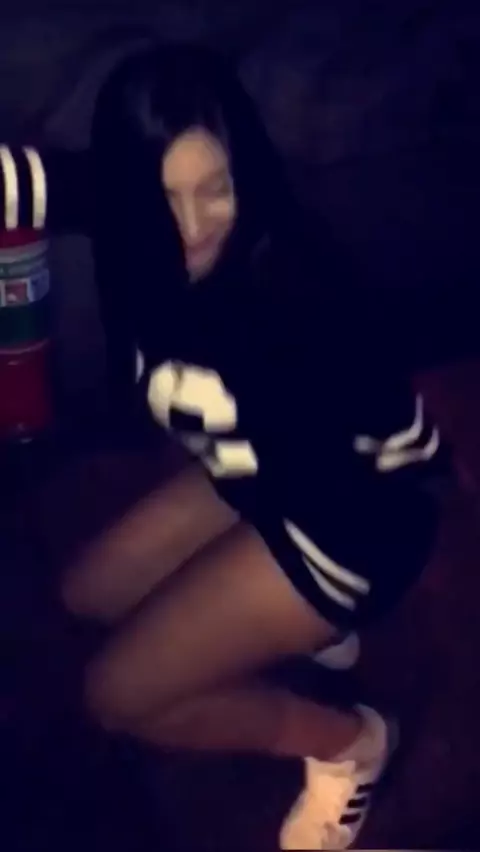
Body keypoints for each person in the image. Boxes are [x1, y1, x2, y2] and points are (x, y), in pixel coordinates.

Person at [0, 45, 442, 849]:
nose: (193, 228)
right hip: (252, 477)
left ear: (247, 175)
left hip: (340, 531)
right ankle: (305, 631)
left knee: (116, 698)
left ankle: (350, 744)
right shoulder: (127, 209)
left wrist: (319, 585)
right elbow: (24, 180)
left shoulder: (296, 294)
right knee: (85, 596)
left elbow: (396, 446)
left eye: (217, 189)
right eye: (164, 198)